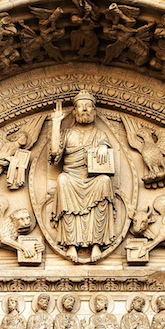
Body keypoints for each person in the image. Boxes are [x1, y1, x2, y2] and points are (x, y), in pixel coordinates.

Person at [49, 90, 115, 262]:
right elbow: (55, 152)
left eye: (88, 106)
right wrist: (56, 124)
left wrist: (103, 148)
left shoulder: (100, 135)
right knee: (62, 179)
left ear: (94, 111)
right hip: (72, 177)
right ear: (74, 111)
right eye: (81, 106)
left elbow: (106, 156)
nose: (85, 109)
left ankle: (96, 244)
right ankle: (71, 244)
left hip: (93, 179)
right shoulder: (68, 133)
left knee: (105, 181)